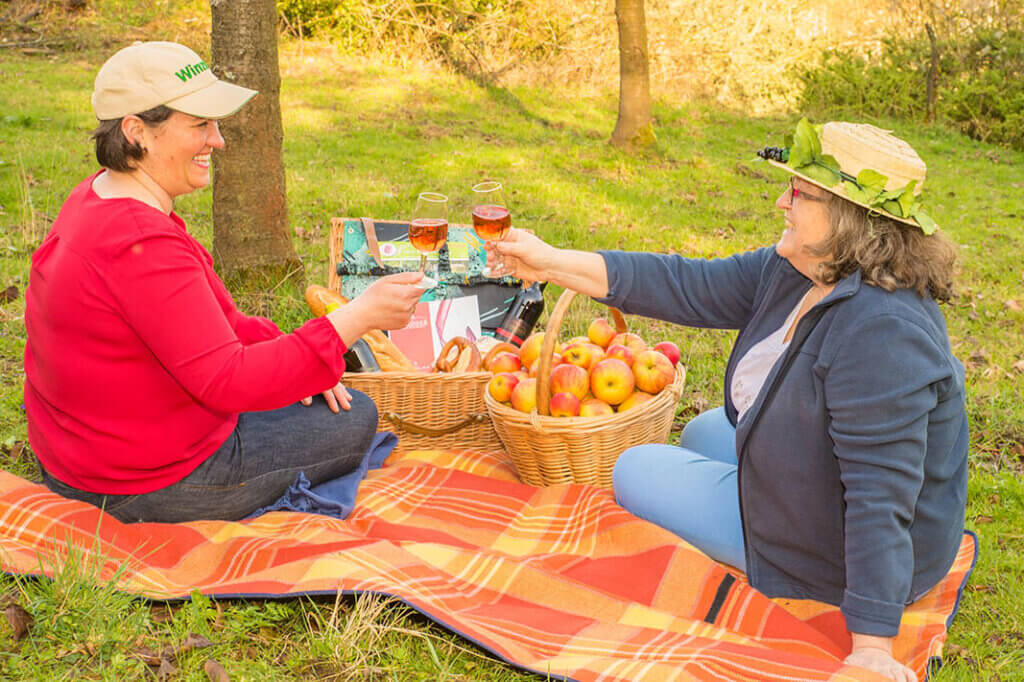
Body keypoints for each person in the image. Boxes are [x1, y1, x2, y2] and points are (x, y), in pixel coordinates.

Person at [485, 119, 966, 682]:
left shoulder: (882, 333)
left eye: (800, 193)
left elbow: (880, 497)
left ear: (847, 219)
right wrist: (549, 260)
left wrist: (872, 649)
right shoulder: (800, 267)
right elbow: (685, 284)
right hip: (819, 478)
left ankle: (799, 567)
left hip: (842, 544)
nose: (782, 201)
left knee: (636, 467)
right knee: (701, 433)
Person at [24, 41, 425, 524]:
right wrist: (355, 319)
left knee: (321, 394)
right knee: (357, 416)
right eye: (199, 124)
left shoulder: (98, 197)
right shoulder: (142, 245)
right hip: (141, 482)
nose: (218, 140)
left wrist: (297, 361)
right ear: (137, 132)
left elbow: (217, 326)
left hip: (85, 452)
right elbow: (228, 381)